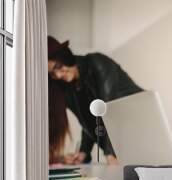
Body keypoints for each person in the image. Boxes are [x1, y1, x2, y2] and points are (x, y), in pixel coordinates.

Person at [47, 36, 144, 165]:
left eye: (57, 66)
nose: (58, 75)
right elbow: (90, 119)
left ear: (65, 56)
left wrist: (111, 153)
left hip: (141, 126)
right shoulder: (69, 87)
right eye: (52, 74)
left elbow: (110, 111)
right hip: (123, 139)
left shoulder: (97, 63)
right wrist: (83, 152)